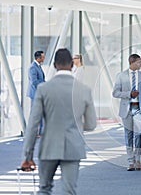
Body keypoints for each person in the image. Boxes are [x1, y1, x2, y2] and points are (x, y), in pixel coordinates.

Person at [20, 48, 97, 194]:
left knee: (44, 189)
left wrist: (27, 156)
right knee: (69, 190)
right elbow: (91, 124)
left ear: (55, 65)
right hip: (73, 147)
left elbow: (33, 125)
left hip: (49, 147)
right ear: (72, 65)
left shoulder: (44, 89)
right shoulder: (84, 90)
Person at [112, 53, 141, 171]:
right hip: (127, 109)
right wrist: (129, 94)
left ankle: (137, 159)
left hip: (139, 109)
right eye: (138, 62)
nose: (140, 64)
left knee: (138, 134)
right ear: (132, 62)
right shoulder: (121, 76)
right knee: (128, 135)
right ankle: (130, 161)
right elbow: (115, 93)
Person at [26, 50, 45, 136]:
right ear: (38, 58)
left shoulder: (38, 66)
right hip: (35, 94)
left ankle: (39, 132)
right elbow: (34, 82)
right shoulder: (32, 67)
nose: (44, 58)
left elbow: (41, 79)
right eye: (43, 57)